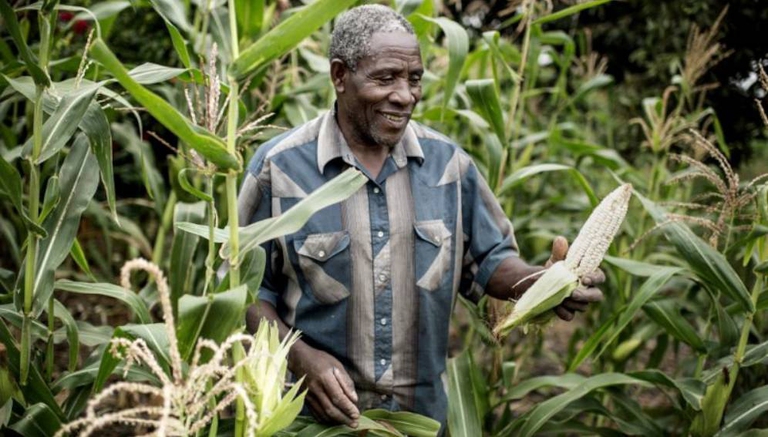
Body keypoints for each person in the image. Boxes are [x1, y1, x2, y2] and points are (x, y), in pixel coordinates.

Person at [239, 4, 604, 433]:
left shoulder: (449, 167)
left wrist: (548, 284)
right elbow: (245, 291)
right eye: (386, 78)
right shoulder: (278, 169)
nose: (405, 95)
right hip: (314, 423)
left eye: (414, 79)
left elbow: (489, 264)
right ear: (339, 76)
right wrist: (298, 358)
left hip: (422, 422)